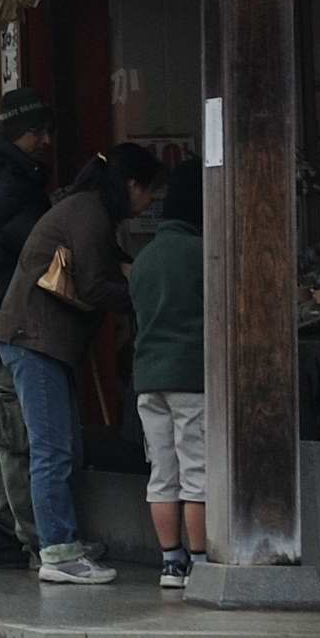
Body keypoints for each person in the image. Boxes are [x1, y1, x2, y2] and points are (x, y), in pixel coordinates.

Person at [0, 139, 165, 585]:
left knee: (63, 445)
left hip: (41, 341)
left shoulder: (84, 209)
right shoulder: (89, 213)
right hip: (37, 342)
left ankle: (61, 538)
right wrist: (148, 296)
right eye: (149, 193)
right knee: (51, 450)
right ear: (131, 184)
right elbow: (93, 285)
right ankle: (58, 551)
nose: (149, 205)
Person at [0, 92, 58, 563]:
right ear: (15, 133)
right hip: (5, 322)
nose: (44, 141)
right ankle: (38, 538)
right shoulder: (7, 186)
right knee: (12, 435)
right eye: (36, 132)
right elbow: (37, 246)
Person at [128, 160, 207, 594]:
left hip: (148, 378)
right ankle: (199, 561)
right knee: (197, 472)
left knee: (162, 473)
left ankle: (170, 562)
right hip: (190, 377)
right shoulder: (202, 254)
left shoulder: (144, 259)